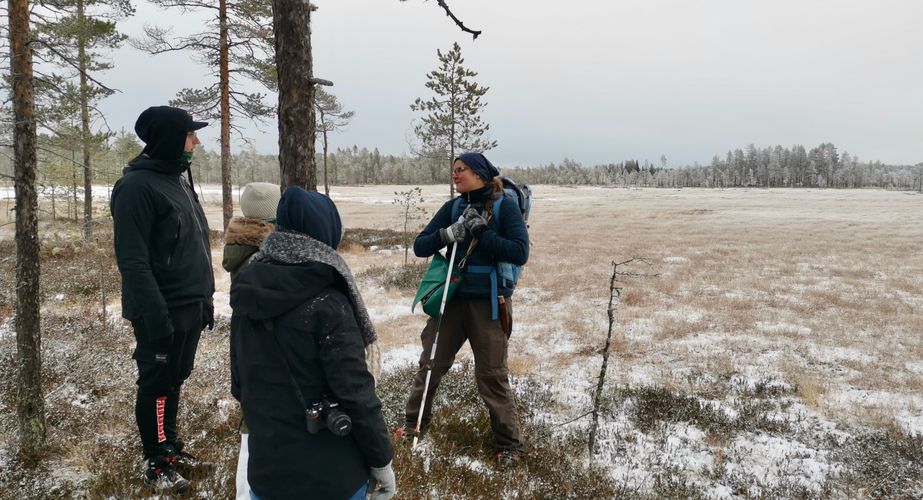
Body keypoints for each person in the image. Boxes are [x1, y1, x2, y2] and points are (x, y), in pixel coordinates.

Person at [230, 187, 395, 500]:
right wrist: (381, 460)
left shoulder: (246, 291)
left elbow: (240, 385)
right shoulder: (329, 303)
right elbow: (357, 395)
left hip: (267, 475)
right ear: (326, 233)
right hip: (333, 479)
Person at [398, 152, 529, 467]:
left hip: (489, 304)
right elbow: (420, 245)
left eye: (462, 170)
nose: (455, 175)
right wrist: (446, 234)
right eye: (453, 170)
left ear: (480, 173)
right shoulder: (453, 207)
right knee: (430, 365)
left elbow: (519, 251)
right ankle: (413, 427)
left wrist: (481, 233)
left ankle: (510, 445)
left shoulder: (504, 206)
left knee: (491, 375)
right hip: (452, 300)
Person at [110, 105, 215, 494]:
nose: (197, 142)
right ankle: (156, 462)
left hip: (189, 305)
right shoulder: (136, 188)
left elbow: (193, 245)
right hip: (160, 309)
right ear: (172, 138)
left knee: (175, 379)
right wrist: (155, 316)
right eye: (191, 135)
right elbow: (133, 261)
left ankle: (170, 448)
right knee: (156, 383)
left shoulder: (177, 180)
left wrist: (206, 299)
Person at [221, 181, 281, 500]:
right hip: (266, 346)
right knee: (255, 428)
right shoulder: (267, 251)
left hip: (245, 344)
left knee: (252, 421)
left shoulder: (239, 243)